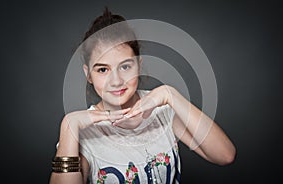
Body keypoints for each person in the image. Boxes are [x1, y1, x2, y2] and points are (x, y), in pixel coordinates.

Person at [49, 6, 236, 184]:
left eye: (125, 66)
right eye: (103, 70)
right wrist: (69, 125)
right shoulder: (83, 132)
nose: (116, 81)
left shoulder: (161, 110)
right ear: (88, 74)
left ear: (138, 65)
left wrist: (170, 95)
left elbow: (225, 155)